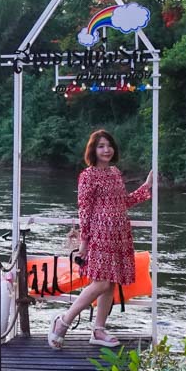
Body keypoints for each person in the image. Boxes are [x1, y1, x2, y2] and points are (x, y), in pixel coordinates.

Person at [48, 128, 152, 349]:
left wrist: (146, 187)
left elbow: (122, 202)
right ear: (93, 150)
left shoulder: (115, 172)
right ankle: (63, 321)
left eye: (109, 145)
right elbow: (84, 210)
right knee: (101, 282)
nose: (106, 149)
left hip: (120, 234)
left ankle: (98, 329)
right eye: (101, 146)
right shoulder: (88, 176)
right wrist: (84, 243)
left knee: (111, 282)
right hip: (100, 234)